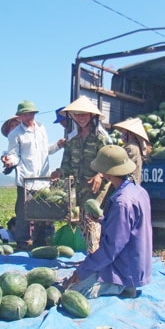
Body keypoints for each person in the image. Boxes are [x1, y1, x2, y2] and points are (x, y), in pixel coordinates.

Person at [63, 144, 153, 298]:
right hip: (136, 264)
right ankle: (123, 284)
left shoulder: (122, 202)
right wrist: (103, 220)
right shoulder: (137, 190)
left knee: (71, 292)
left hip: (124, 269)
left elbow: (111, 248)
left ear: (106, 173)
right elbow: (127, 228)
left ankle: (120, 287)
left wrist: (82, 270)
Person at [50, 96, 110, 254]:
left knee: (92, 219)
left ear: (91, 116)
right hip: (78, 187)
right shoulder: (73, 141)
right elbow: (66, 165)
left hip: (96, 187)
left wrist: (100, 174)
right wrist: (59, 172)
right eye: (77, 115)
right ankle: (92, 254)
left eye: (84, 114)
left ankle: (95, 255)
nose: (81, 118)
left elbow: (110, 162)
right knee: (83, 221)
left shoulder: (100, 139)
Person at [2, 100, 56, 250]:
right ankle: (22, 243)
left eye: (31, 113)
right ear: (19, 116)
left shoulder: (41, 129)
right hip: (26, 179)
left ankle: (40, 241)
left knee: (42, 211)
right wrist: (9, 161)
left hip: (43, 179)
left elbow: (46, 150)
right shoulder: (15, 134)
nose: (29, 117)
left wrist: (58, 145)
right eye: (25, 114)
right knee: (24, 213)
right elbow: (14, 155)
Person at [112, 117, 150, 184]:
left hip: (128, 184)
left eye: (124, 131)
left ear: (131, 133)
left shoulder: (131, 148)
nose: (122, 134)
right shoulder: (131, 146)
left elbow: (123, 168)